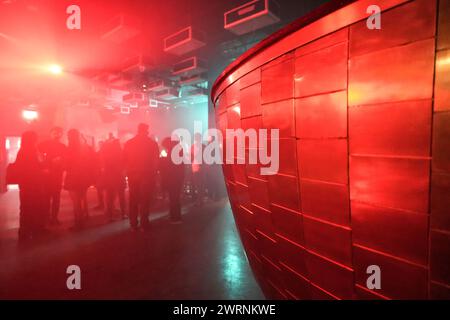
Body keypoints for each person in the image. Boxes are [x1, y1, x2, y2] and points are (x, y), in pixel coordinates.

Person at [123, 123, 159, 231]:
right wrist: (154, 173)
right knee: (145, 199)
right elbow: (155, 161)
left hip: (133, 174)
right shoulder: (152, 144)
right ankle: (144, 223)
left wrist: (127, 171)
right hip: (147, 174)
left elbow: (124, 159)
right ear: (146, 130)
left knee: (133, 199)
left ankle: (133, 224)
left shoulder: (129, 143)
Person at [15, 131, 46, 241]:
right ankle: (29, 231)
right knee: (30, 207)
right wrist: (42, 171)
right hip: (32, 184)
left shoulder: (23, 150)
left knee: (27, 208)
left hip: (27, 184)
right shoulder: (29, 150)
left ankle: (27, 231)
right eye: (35, 138)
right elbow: (31, 168)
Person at [64, 129, 95, 230]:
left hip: (74, 177)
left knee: (76, 202)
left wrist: (60, 161)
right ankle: (81, 221)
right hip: (84, 177)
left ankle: (78, 223)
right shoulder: (84, 148)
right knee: (81, 200)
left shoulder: (71, 148)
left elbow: (67, 164)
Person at [38, 127, 67, 225]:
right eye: (55, 133)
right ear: (50, 134)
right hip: (47, 176)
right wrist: (44, 164)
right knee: (46, 198)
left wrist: (61, 161)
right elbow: (38, 154)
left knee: (56, 198)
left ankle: (54, 218)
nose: (57, 135)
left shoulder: (63, 147)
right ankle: (46, 217)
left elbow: (66, 160)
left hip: (57, 176)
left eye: (59, 133)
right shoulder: (44, 144)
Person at [160, 137, 185, 223]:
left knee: (174, 198)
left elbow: (170, 166)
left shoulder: (173, 152)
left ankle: (176, 217)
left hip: (173, 178)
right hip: (177, 178)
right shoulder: (178, 150)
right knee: (175, 198)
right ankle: (174, 216)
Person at [103, 138, 126, 221]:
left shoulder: (108, 154)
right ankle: (123, 214)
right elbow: (124, 165)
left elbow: (105, 166)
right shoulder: (121, 153)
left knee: (110, 198)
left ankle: (110, 216)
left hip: (110, 178)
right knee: (121, 197)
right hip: (119, 177)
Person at [190, 133, 205, 206]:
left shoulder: (193, 147)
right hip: (200, 168)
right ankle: (200, 199)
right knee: (200, 184)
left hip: (196, 168)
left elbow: (190, 157)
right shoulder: (203, 146)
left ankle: (200, 200)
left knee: (198, 184)